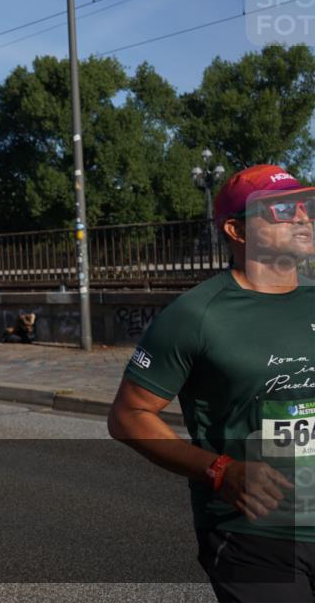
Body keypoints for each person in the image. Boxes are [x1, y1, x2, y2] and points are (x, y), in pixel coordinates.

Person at [108, 164, 315, 602]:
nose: (302, 217)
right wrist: (220, 470)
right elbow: (128, 416)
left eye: (305, 206)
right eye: (281, 209)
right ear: (236, 231)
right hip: (255, 532)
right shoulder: (195, 315)